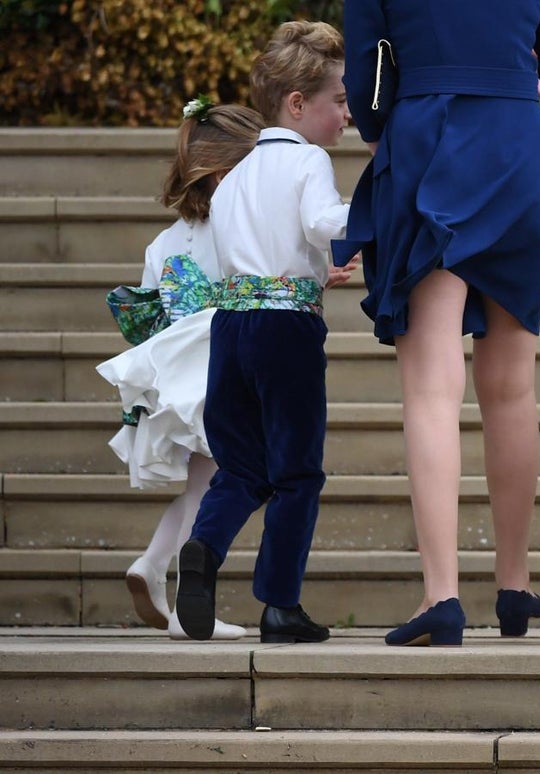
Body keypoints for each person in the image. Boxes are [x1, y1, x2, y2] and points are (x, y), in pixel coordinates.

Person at [337, 0, 540, 646]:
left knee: (430, 387)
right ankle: (514, 584)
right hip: (521, 149)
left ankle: (441, 595)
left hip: (426, 139)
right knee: (511, 387)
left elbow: (364, 76)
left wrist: (389, 141)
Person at [173, 21, 353, 644]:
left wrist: (312, 270)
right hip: (287, 333)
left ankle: (203, 548)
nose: (347, 115)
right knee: (297, 471)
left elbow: (252, 254)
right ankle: (280, 605)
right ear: (297, 104)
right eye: (339, 101)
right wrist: (380, 211)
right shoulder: (310, 159)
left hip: (232, 328)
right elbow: (323, 222)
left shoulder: (237, 174)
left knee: (242, 464)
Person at [98, 99, 264, 640]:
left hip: (176, 378)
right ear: (224, 174)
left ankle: (151, 564)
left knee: (204, 484)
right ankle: (187, 609)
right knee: (215, 488)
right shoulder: (238, 228)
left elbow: (153, 310)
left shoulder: (164, 242)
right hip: (223, 370)